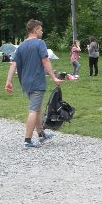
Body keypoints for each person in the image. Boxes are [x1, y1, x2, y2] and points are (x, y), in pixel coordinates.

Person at [4, 19, 63, 148]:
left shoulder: (21, 46)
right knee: (33, 110)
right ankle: (27, 141)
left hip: (26, 83)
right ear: (36, 30)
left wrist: (9, 81)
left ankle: (41, 134)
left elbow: (13, 64)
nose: (42, 31)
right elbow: (45, 61)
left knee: (37, 108)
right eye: (41, 29)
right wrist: (54, 77)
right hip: (37, 82)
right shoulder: (40, 43)